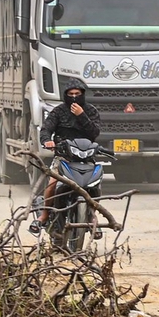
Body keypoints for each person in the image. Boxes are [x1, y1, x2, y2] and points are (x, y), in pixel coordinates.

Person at [33, 78, 100, 232]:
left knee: (96, 185)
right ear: (65, 95)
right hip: (63, 157)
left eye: (77, 93)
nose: (74, 97)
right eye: (71, 94)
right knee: (51, 185)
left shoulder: (91, 111)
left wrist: (82, 115)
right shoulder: (58, 111)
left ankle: (91, 215)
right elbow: (46, 129)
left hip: (85, 158)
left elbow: (95, 133)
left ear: (83, 94)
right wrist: (47, 140)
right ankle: (43, 216)